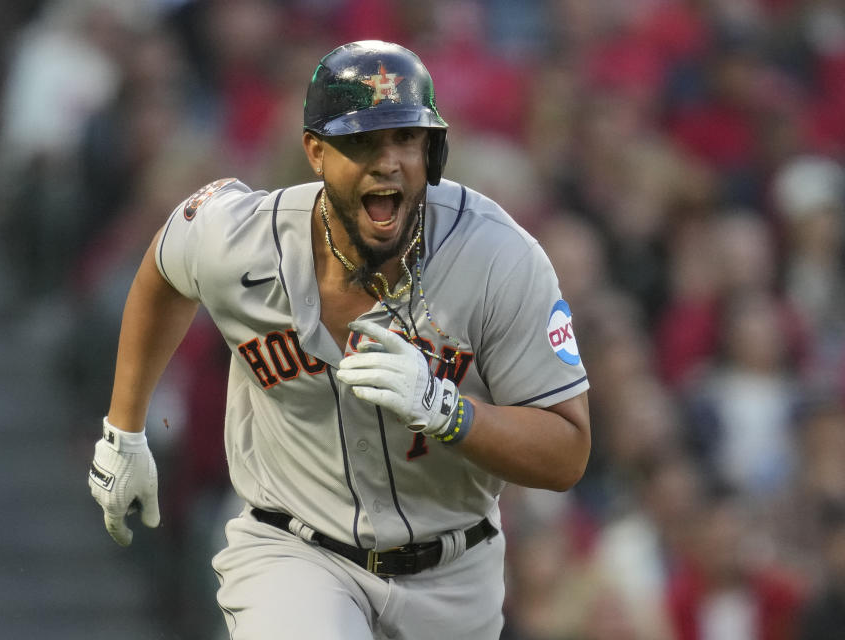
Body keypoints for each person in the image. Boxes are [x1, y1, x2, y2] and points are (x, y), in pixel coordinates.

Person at [88, 40, 591, 640]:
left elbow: (567, 451)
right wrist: (125, 430)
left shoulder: (499, 259)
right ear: (316, 152)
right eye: (362, 141)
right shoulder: (244, 238)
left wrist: (447, 411)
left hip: (453, 572)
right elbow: (165, 268)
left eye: (407, 138)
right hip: (293, 552)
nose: (388, 161)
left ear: (433, 151)